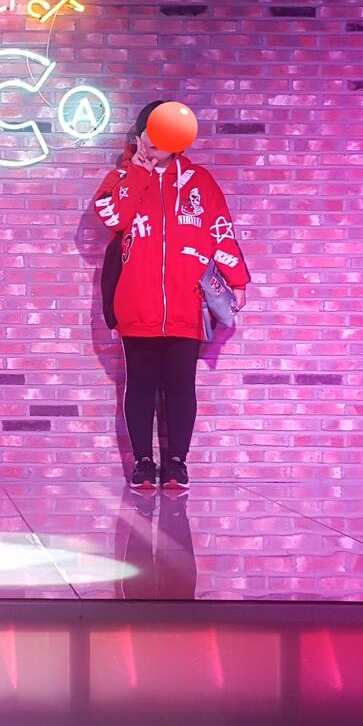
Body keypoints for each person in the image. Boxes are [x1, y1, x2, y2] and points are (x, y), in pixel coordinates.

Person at [92, 101, 253, 494]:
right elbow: (114, 218)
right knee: (140, 383)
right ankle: (143, 463)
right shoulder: (119, 178)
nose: (156, 140)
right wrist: (139, 173)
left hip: (187, 301)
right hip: (136, 302)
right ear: (139, 134)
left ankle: (177, 462)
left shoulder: (200, 181)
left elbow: (220, 230)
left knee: (182, 384)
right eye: (151, 131)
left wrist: (237, 279)